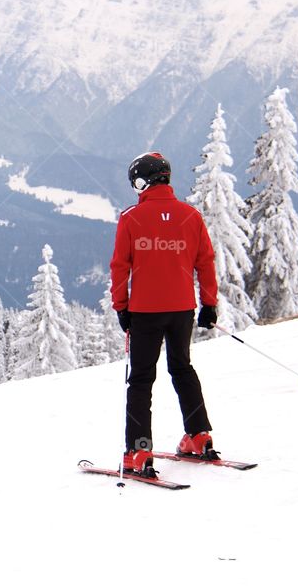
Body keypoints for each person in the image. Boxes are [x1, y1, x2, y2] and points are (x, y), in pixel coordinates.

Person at [109, 152, 220, 478]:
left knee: (141, 380)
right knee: (183, 369)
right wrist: (209, 304)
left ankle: (139, 451)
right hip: (182, 309)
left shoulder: (131, 218)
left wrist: (122, 307)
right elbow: (206, 262)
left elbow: (119, 267)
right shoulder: (191, 216)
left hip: (145, 312)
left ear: (142, 181)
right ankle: (200, 437)